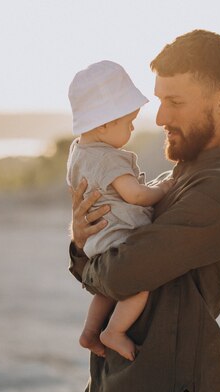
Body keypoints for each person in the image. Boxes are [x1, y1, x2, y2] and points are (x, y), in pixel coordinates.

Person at [68, 29, 220, 392]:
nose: (159, 117)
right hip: (121, 387)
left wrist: (84, 257)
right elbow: (114, 244)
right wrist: (79, 240)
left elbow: (123, 273)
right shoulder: (187, 173)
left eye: (174, 102)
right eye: (159, 100)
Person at [66, 60, 174, 362]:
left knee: (108, 290)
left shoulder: (79, 152)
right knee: (139, 284)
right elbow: (136, 195)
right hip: (118, 238)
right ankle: (113, 331)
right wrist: (162, 190)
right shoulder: (109, 159)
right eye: (128, 122)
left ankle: (89, 332)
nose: (131, 128)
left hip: (97, 244)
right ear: (103, 123)